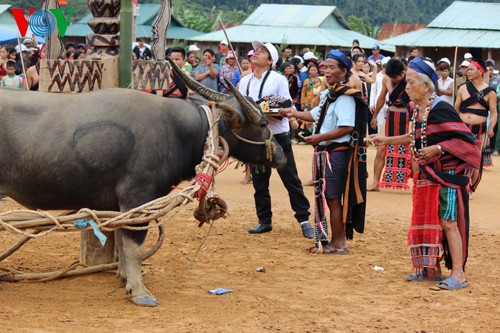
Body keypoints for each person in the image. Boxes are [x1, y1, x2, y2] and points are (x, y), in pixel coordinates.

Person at [371, 57, 480, 290]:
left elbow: (467, 142)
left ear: (426, 85)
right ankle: (430, 268)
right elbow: (417, 137)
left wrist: (439, 148)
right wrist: (387, 140)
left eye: (411, 83)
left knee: (449, 222)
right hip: (428, 174)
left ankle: (458, 274)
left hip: (448, 175)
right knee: (429, 219)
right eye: (406, 83)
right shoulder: (417, 109)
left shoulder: (440, 108)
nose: (407, 88)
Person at [280, 49, 367, 253]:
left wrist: (319, 137)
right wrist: (292, 112)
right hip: (328, 152)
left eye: (332, 68)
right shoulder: (330, 95)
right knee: (329, 196)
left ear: (344, 72)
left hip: (336, 153)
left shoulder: (344, 97)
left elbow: (346, 127)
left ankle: (339, 243)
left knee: (332, 197)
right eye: (325, 68)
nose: (326, 72)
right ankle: (335, 241)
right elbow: (313, 115)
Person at [238, 40, 313, 238]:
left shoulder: (278, 79)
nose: (255, 53)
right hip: (256, 139)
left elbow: (286, 105)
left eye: (262, 52)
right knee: (259, 181)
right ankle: (264, 220)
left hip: (277, 136)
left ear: (271, 60)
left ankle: (304, 219)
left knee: (290, 178)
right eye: (256, 51)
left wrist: (271, 109)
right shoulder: (244, 81)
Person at [369, 58, 411, 191]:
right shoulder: (387, 80)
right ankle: (375, 182)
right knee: (381, 147)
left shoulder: (411, 79)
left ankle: (418, 185)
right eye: (391, 77)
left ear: (403, 73)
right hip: (391, 116)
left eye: (396, 77)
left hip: (408, 117)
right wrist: (375, 115)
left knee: (412, 151)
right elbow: (381, 97)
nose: (394, 79)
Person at [455, 58, 498, 189]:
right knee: (460, 157)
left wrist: (491, 128)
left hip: (480, 130)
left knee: (475, 159)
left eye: (471, 69)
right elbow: (456, 109)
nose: (468, 72)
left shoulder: (490, 92)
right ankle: (461, 184)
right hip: (462, 128)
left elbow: (494, 112)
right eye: (467, 69)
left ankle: (470, 187)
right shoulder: (462, 89)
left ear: (480, 71)